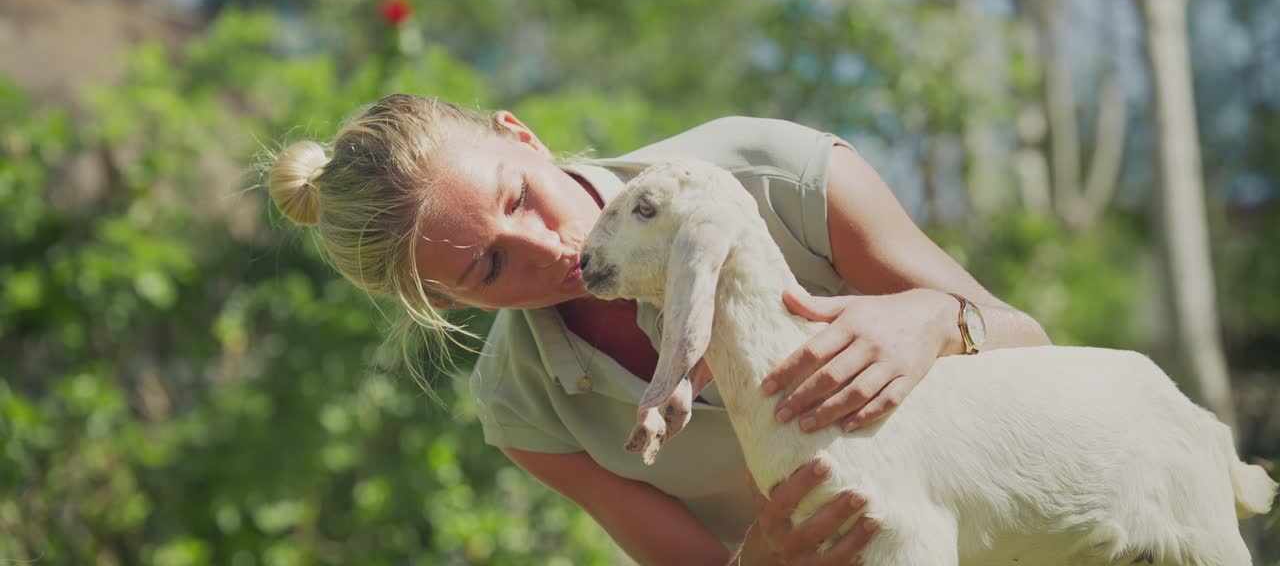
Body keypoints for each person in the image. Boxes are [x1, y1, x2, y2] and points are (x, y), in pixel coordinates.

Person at [268, 93, 1051, 565]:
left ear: (522, 136)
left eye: (519, 197)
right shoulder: (525, 410)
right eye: (490, 268)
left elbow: (1041, 352)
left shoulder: (776, 175)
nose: (549, 246)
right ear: (448, 305)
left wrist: (937, 320)